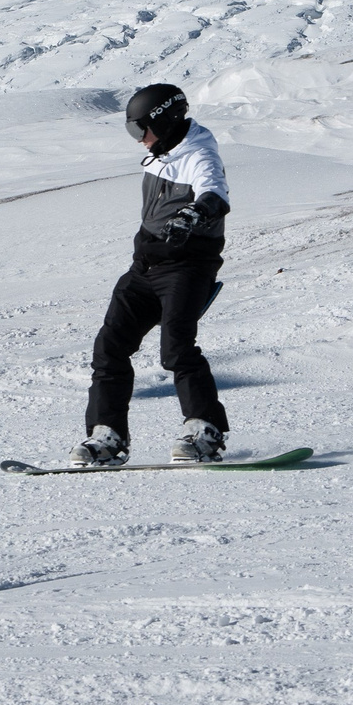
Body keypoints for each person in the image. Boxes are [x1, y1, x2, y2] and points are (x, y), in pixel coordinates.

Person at [75, 83, 231, 465]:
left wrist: (194, 214)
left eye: (140, 129)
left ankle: (205, 433)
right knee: (109, 347)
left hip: (187, 267)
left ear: (165, 120)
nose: (138, 140)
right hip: (145, 267)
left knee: (177, 347)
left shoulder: (200, 155)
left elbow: (215, 195)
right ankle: (107, 437)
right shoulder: (163, 151)